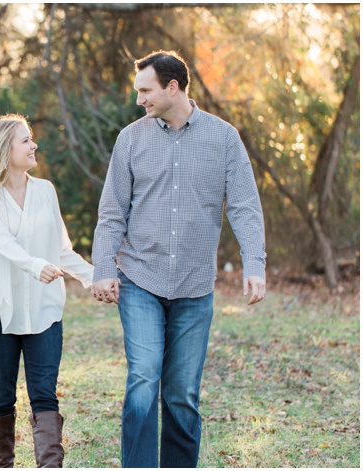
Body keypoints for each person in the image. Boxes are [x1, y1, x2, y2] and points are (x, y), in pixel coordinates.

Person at [91, 50, 266, 468]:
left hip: (194, 284)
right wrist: (102, 269)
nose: (140, 101)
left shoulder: (224, 138)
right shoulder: (131, 138)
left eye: (146, 91)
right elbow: (112, 211)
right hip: (140, 279)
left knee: (182, 395)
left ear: (173, 88)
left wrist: (254, 264)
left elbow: (244, 204)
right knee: (143, 379)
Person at [0, 114, 94, 468]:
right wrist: (37, 266)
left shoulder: (45, 191)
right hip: (1, 312)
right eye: (25, 140)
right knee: (1, 397)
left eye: (31, 139)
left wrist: (92, 277)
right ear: (4, 150)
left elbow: (61, 248)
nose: (33, 145)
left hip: (45, 311)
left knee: (45, 395)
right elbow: (3, 246)